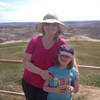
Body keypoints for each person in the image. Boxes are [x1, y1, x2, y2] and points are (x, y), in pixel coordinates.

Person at [22, 13, 79, 100]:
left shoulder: (61, 43)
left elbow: (71, 59)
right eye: (47, 24)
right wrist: (41, 72)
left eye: (54, 24)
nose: (50, 26)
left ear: (58, 28)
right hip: (29, 82)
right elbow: (26, 62)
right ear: (43, 27)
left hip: (50, 85)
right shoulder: (34, 41)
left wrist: (76, 76)